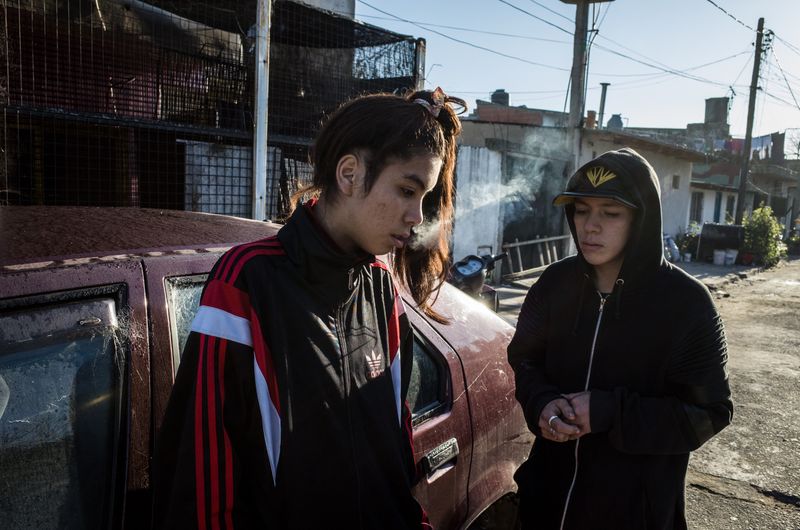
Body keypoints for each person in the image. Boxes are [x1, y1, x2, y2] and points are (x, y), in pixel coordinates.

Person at [152, 88, 465, 529]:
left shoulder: (380, 287)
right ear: (350, 173)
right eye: (407, 190)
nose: (417, 215)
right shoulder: (246, 282)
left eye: (424, 198)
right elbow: (204, 465)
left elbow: (396, 439)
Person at [507, 147, 733, 529]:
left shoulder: (686, 304)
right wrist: (542, 403)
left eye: (610, 213)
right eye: (581, 210)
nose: (590, 226)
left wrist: (611, 412)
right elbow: (525, 361)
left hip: (634, 513)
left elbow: (710, 414)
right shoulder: (553, 284)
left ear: (641, 219)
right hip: (545, 502)